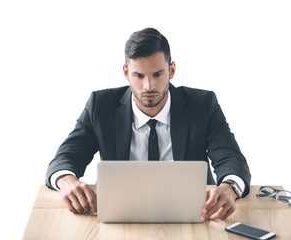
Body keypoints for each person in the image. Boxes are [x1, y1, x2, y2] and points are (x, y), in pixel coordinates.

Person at [45, 28, 251, 222]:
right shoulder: (100, 105)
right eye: (139, 76)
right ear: (126, 73)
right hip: (118, 215)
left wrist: (229, 187)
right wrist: (66, 180)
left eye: (157, 74)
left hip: (196, 215)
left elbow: (230, 157)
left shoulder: (203, 104)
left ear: (172, 70)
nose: (149, 86)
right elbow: (66, 157)